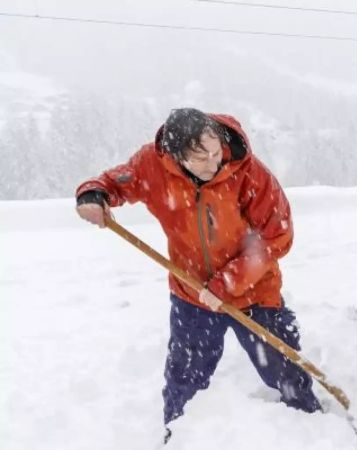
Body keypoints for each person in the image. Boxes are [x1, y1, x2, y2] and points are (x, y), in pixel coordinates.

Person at [75, 108, 321, 442]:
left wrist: (227, 283)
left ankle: (314, 428)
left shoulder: (247, 171)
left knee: (283, 366)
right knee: (186, 376)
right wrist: (94, 194)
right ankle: (178, 434)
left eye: (216, 153)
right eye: (200, 158)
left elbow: (277, 235)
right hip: (192, 293)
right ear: (175, 158)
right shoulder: (153, 164)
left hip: (254, 292)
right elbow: (114, 182)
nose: (213, 164)